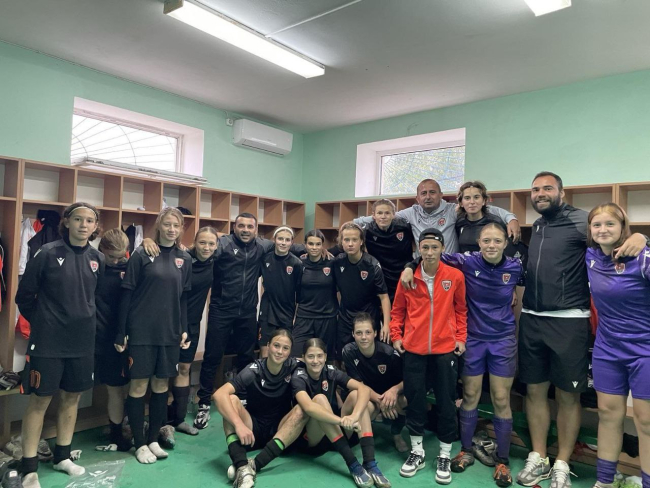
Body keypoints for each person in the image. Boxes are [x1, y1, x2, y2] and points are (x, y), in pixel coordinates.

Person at [516, 172, 648, 488]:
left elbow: (617, 236)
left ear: (562, 192)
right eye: (535, 189)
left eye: (548, 188)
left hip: (570, 321)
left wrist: (642, 237)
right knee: (536, 391)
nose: (540, 193)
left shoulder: (581, 221)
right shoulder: (540, 225)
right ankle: (539, 456)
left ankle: (562, 462)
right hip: (533, 318)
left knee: (569, 394)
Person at [16, 202, 104, 488]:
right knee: (40, 401)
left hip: (82, 343)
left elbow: (96, 298)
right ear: (67, 222)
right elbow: (24, 297)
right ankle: (29, 467)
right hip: (48, 343)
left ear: (95, 226)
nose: (83, 224)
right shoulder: (47, 252)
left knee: (72, 398)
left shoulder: (97, 258)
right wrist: (45, 322)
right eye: (78, 219)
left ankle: (62, 456)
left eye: (89, 220)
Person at [195, 213, 307, 429]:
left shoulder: (262, 245)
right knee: (212, 356)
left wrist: (320, 250)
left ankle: (244, 397)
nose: (245, 230)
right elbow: (201, 250)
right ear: (234, 227)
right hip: (221, 310)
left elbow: (288, 244)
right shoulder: (223, 244)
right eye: (241, 226)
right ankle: (204, 403)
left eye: (250, 226)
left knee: (246, 356)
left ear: (256, 229)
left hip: (247, 312)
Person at [437, 223, 524, 487]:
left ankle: (502, 461)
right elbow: (432, 253)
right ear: (479, 243)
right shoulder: (466, 261)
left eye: (497, 241)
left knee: (500, 398)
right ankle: (465, 450)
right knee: (470, 395)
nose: (491, 245)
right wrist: (409, 267)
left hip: (503, 340)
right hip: (472, 339)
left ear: (505, 243)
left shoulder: (516, 267)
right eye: (486, 240)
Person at [115, 207, 192, 464]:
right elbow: (126, 294)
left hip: (169, 333)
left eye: (176, 225)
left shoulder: (184, 258)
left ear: (181, 229)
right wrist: (121, 331)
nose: (172, 229)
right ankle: (139, 443)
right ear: (159, 225)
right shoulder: (142, 253)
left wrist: (184, 328)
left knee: (161, 386)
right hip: (142, 331)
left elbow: (183, 298)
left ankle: (153, 440)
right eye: (167, 224)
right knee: (138, 386)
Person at [390, 228, 467, 485]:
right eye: (425, 247)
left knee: (446, 402)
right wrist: (396, 336)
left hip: (445, 351)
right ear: (419, 249)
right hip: (414, 350)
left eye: (435, 247)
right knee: (415, 401)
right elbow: (398, 310)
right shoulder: (408, 277)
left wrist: (461, 338)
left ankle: (444, 454)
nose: (430, 252)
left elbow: (461, 309)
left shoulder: (454, 276)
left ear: (442, 248)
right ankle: (417, 452)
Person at [585, 203, 650, 488]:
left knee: (646, 421)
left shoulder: (643, 257)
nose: (603, 230)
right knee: (609, 415)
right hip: (607, 350)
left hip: (645, 351)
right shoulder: (590, 256)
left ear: (623, 227)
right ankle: (605, 481)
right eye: (597, 225)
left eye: (610, 224)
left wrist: (644, 238)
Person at [292, 338, 391, 488]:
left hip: (337, 434)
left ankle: (370, 462)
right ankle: (353, 464)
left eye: (319, 356)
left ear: (325, 357)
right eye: (311, 356)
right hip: (314, 439)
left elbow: (364, 389)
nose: (315, 361)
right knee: (320, 400)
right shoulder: (299, 376)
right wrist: (340, 421)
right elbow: (309, 408)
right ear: (303, 357)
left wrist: (354, 416)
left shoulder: (331, 371)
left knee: (356, 395)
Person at [214, 329, 307, 488]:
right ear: (268, 346)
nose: (280, 351)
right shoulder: (254, 370)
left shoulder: (294, 366)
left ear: (290, 352)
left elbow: (317, 365)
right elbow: (219, 395)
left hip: (280, 432)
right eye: (276, 346)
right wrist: (238, 424)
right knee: (231, 400)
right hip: (252, 431)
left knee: (302, 409)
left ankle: (254, 465)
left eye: (285, 348)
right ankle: (241, 465)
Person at [354, 179, 520, 254]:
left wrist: (511, 219)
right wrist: (355, 223)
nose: (428, 197)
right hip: (422, 267)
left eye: (432, 192)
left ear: (441, 195)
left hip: (450, 268)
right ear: (417, 198)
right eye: (424, 193)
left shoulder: (453, 210)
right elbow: (385, 216)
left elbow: (488, 209)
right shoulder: (411, 212)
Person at [171, 227, 218, 435]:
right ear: (195, 242)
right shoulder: (182, 258)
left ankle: (178, 420)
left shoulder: (216, 261)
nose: (206, 247)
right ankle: (160, 421)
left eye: (211, 243)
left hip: (192, 324)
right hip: (169, 322)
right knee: (161, 373)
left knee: (184, 368)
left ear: (216, 246)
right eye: (202, 242)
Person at [342, 312, 407, 453]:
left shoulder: (389, 353)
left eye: (368, 332)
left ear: (375, 333)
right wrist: (380, 401)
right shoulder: (348, 352)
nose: (363, 337)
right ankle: (364, 442)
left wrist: (394, 391)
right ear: (353, 334)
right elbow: (359, 386)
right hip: (369, 397)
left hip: (390, 395)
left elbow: (407, 380)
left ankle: (397, 435)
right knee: (364, 407)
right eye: (359, 333)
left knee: (404, 401)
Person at [95, 228, 131, 452]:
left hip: (120, 337)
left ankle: (118, 432)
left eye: (121, 256)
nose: (116, 261)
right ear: (102, 249)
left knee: (118, 388)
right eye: (112, 257)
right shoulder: (93, 267)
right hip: (94, 336)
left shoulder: (130, 268)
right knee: (73, 391)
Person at [332, 222, 391, 356]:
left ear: (361, 241)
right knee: (343, 356)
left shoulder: (372, 265)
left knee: (369, 355)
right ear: (341, 242)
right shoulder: (337, 262)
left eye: (354, 240)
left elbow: (384, 297)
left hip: (368, 316)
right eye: (346, 240)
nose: (350, 244)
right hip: (345, 318)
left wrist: (387, 325)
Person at [455, 181, 528, 270]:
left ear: (484, 201)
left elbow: (508, 250)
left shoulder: (495, 222)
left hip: (492, 272)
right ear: (461, 203)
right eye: (467, 198)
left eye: (476, 197)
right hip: (468, 272)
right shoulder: (459, 223)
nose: (472, 202)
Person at [292, 229, 338, 357]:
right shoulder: (299, 263)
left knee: (326, 357)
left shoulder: (331, 262)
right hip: (304, 316)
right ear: (305, 245)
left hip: (327, 318)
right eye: (311, 244)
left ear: (323, 245)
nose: (314, 247)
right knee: (296, 355)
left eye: (318, 244)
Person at [259, 226, 303, 358]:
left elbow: (299, 293)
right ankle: (264, 371)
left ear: (292, 242)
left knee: (283, 349)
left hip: (286, 311)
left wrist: (296, 316)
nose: (283, 243)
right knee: (265, 347)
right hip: (267, 308)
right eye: (280, 239)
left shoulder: (296, 263)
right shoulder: (265, 259)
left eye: (287, 240)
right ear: (274, 240)